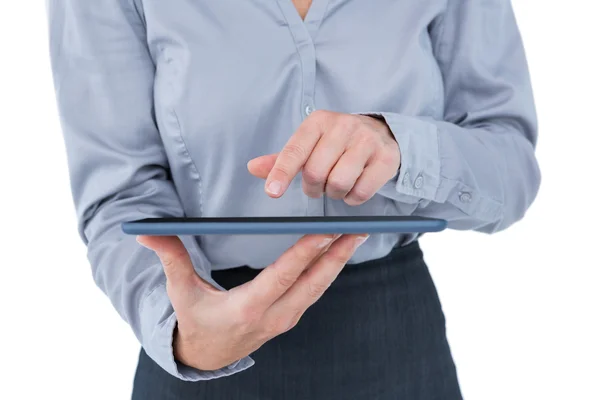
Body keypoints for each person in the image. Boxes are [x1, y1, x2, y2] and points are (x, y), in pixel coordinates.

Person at [46, 0, 540, 398]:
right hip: (201, 335)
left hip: (394, 334)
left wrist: (400, 147)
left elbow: (511, 170)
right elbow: (117, 193)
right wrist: (180, 328)